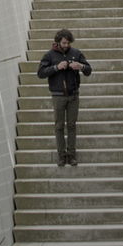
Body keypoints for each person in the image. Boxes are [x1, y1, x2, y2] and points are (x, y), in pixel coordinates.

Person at [37, 28, 92, 167]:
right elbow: (41, 73)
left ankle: (72, 155)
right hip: (58, 96)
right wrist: (56, 67)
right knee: (59, 126)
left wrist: (80, 66)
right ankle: (62, 156)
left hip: (73, 95)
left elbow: (88, 70)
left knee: (72, 126)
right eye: (64, 42)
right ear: (58, 41)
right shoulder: (49, 55)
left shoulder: (76, 53)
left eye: (68, 43)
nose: (66, 45)